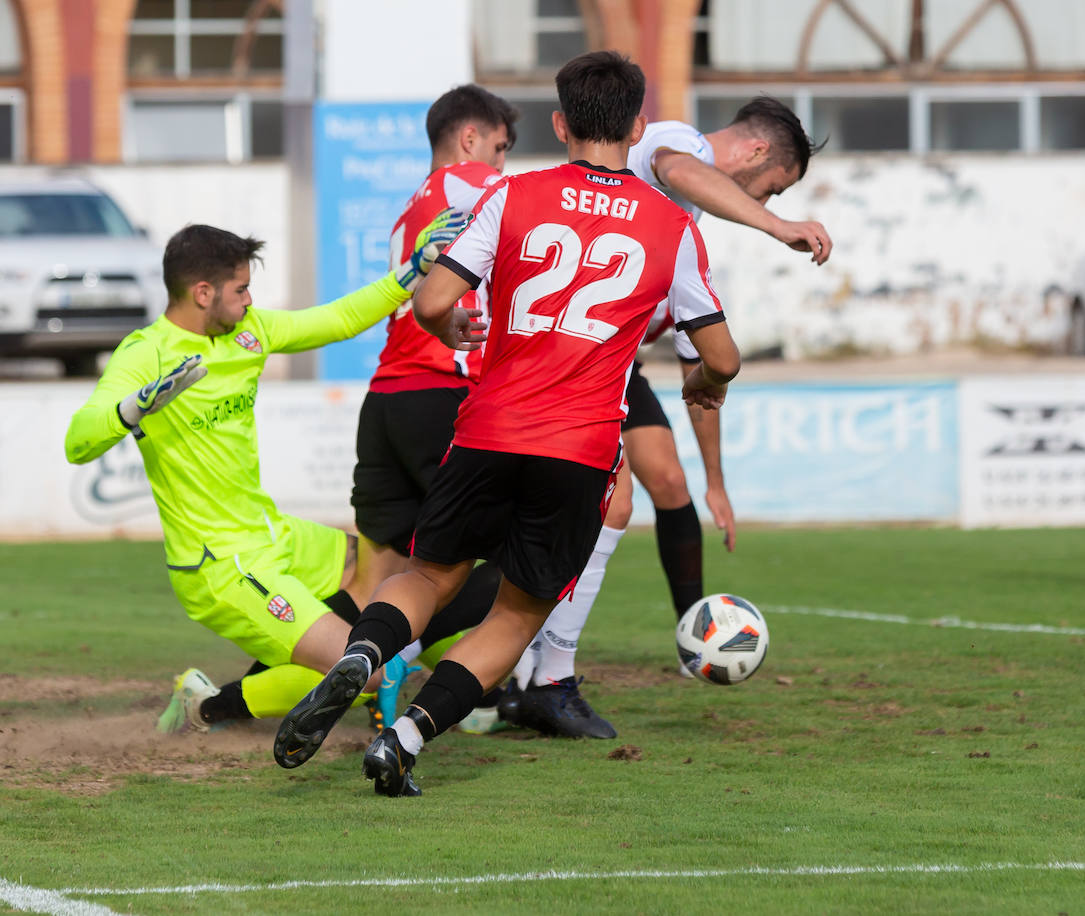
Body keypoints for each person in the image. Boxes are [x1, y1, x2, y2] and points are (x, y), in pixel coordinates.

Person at [273, 50, 741, 797]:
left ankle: (362, 655)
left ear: (560, 124)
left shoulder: (511, 195)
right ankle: (404, 740)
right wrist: (703, 382)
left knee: (426, 573)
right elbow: (720, 353)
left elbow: (428, 304)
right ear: (639, 125)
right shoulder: (670, 224)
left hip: (488, 425)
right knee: (518, 613)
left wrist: (458, 326)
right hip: (581, 449)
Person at [499, 97, 830, 738]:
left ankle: (669, 636)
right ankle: (535, 671)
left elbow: (699, 381)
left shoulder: (684, 230)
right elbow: (681, 167)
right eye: (773, 185)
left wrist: (716, 482)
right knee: (605, 505)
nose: (766, 195)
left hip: (611, 362)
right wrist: (774, 223)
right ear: (758, 154)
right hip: (564, 357)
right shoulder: (680, 146)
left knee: (664, 481)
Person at [63, 217, 460, 734]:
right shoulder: (146, 354)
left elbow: (335, 320)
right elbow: (78, 441)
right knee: (367, 672)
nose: (250, 300)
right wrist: (132, 408)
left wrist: (410, 274)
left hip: (274, 533)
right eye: (241, 288)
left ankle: (450, 682)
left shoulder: (249, 332)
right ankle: (204, 708)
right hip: (220, 565)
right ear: (202, 292)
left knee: (386, 572)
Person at [346, 84, 519, 733]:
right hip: (441, 392)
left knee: (376, 583)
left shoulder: (410, 209)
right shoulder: (474, 183)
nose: (503, 163)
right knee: (524, 552)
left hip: (386, 400)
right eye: (500, 147)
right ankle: (415, 663)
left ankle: (227, 698)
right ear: (471, 139)